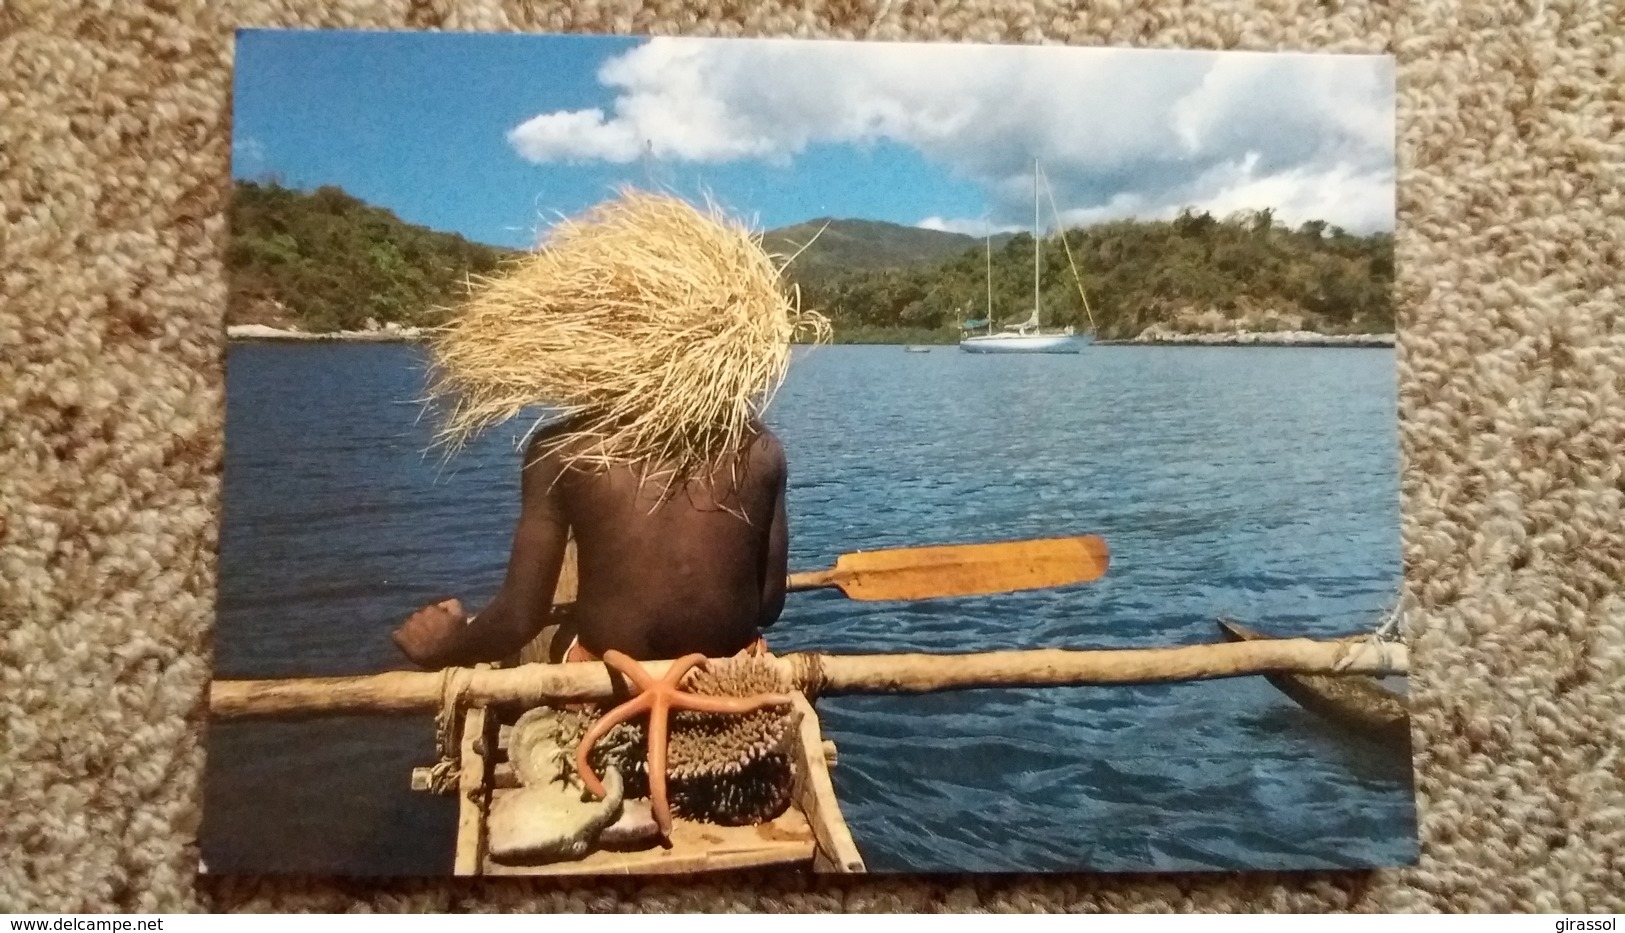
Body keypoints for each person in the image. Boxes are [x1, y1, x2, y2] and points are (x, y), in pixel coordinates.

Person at [392, 417, 789, 667]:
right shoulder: (761, 447)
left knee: (562, 637)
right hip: (728, 677)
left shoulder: (560, 450)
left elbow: (519, 620)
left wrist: (445, 648)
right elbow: (767, 607)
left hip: (609, 689)